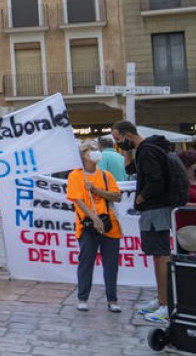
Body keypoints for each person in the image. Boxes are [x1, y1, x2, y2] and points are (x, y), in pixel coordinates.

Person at [112, 121, 175, 324]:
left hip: (155, 208)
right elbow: (130, 169)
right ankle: (161, 299)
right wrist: (127, 150)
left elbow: (156, 180)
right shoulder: (142, 150)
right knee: (156, 255)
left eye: (118, 139)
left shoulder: (147, 150)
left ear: (128, 135)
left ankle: (166, 305)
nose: (117, 143)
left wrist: (140, 199)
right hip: (153, 209)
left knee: (161, 255)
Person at [67, 140, 123, 314]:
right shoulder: (75, 175)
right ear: (83, 155)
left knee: (111, 265)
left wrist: (96, 190)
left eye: (96, 149)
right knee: (86, 262)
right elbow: (78, 200)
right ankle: (82, 298)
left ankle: (112, 299)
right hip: (87, 226)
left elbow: (117, 196)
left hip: (110, 226)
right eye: (90, 149)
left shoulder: (106, 175)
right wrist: (94, 218)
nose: (95, 152)